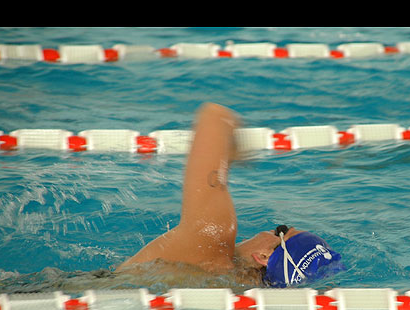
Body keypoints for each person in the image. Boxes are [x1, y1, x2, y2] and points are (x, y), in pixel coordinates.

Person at [118, 103, 343, 287]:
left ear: (264, 257)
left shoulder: (212, 241)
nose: (268, 229)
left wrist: (234, 149)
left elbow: (214, 116)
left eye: (280, 231)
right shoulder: (234, 290)